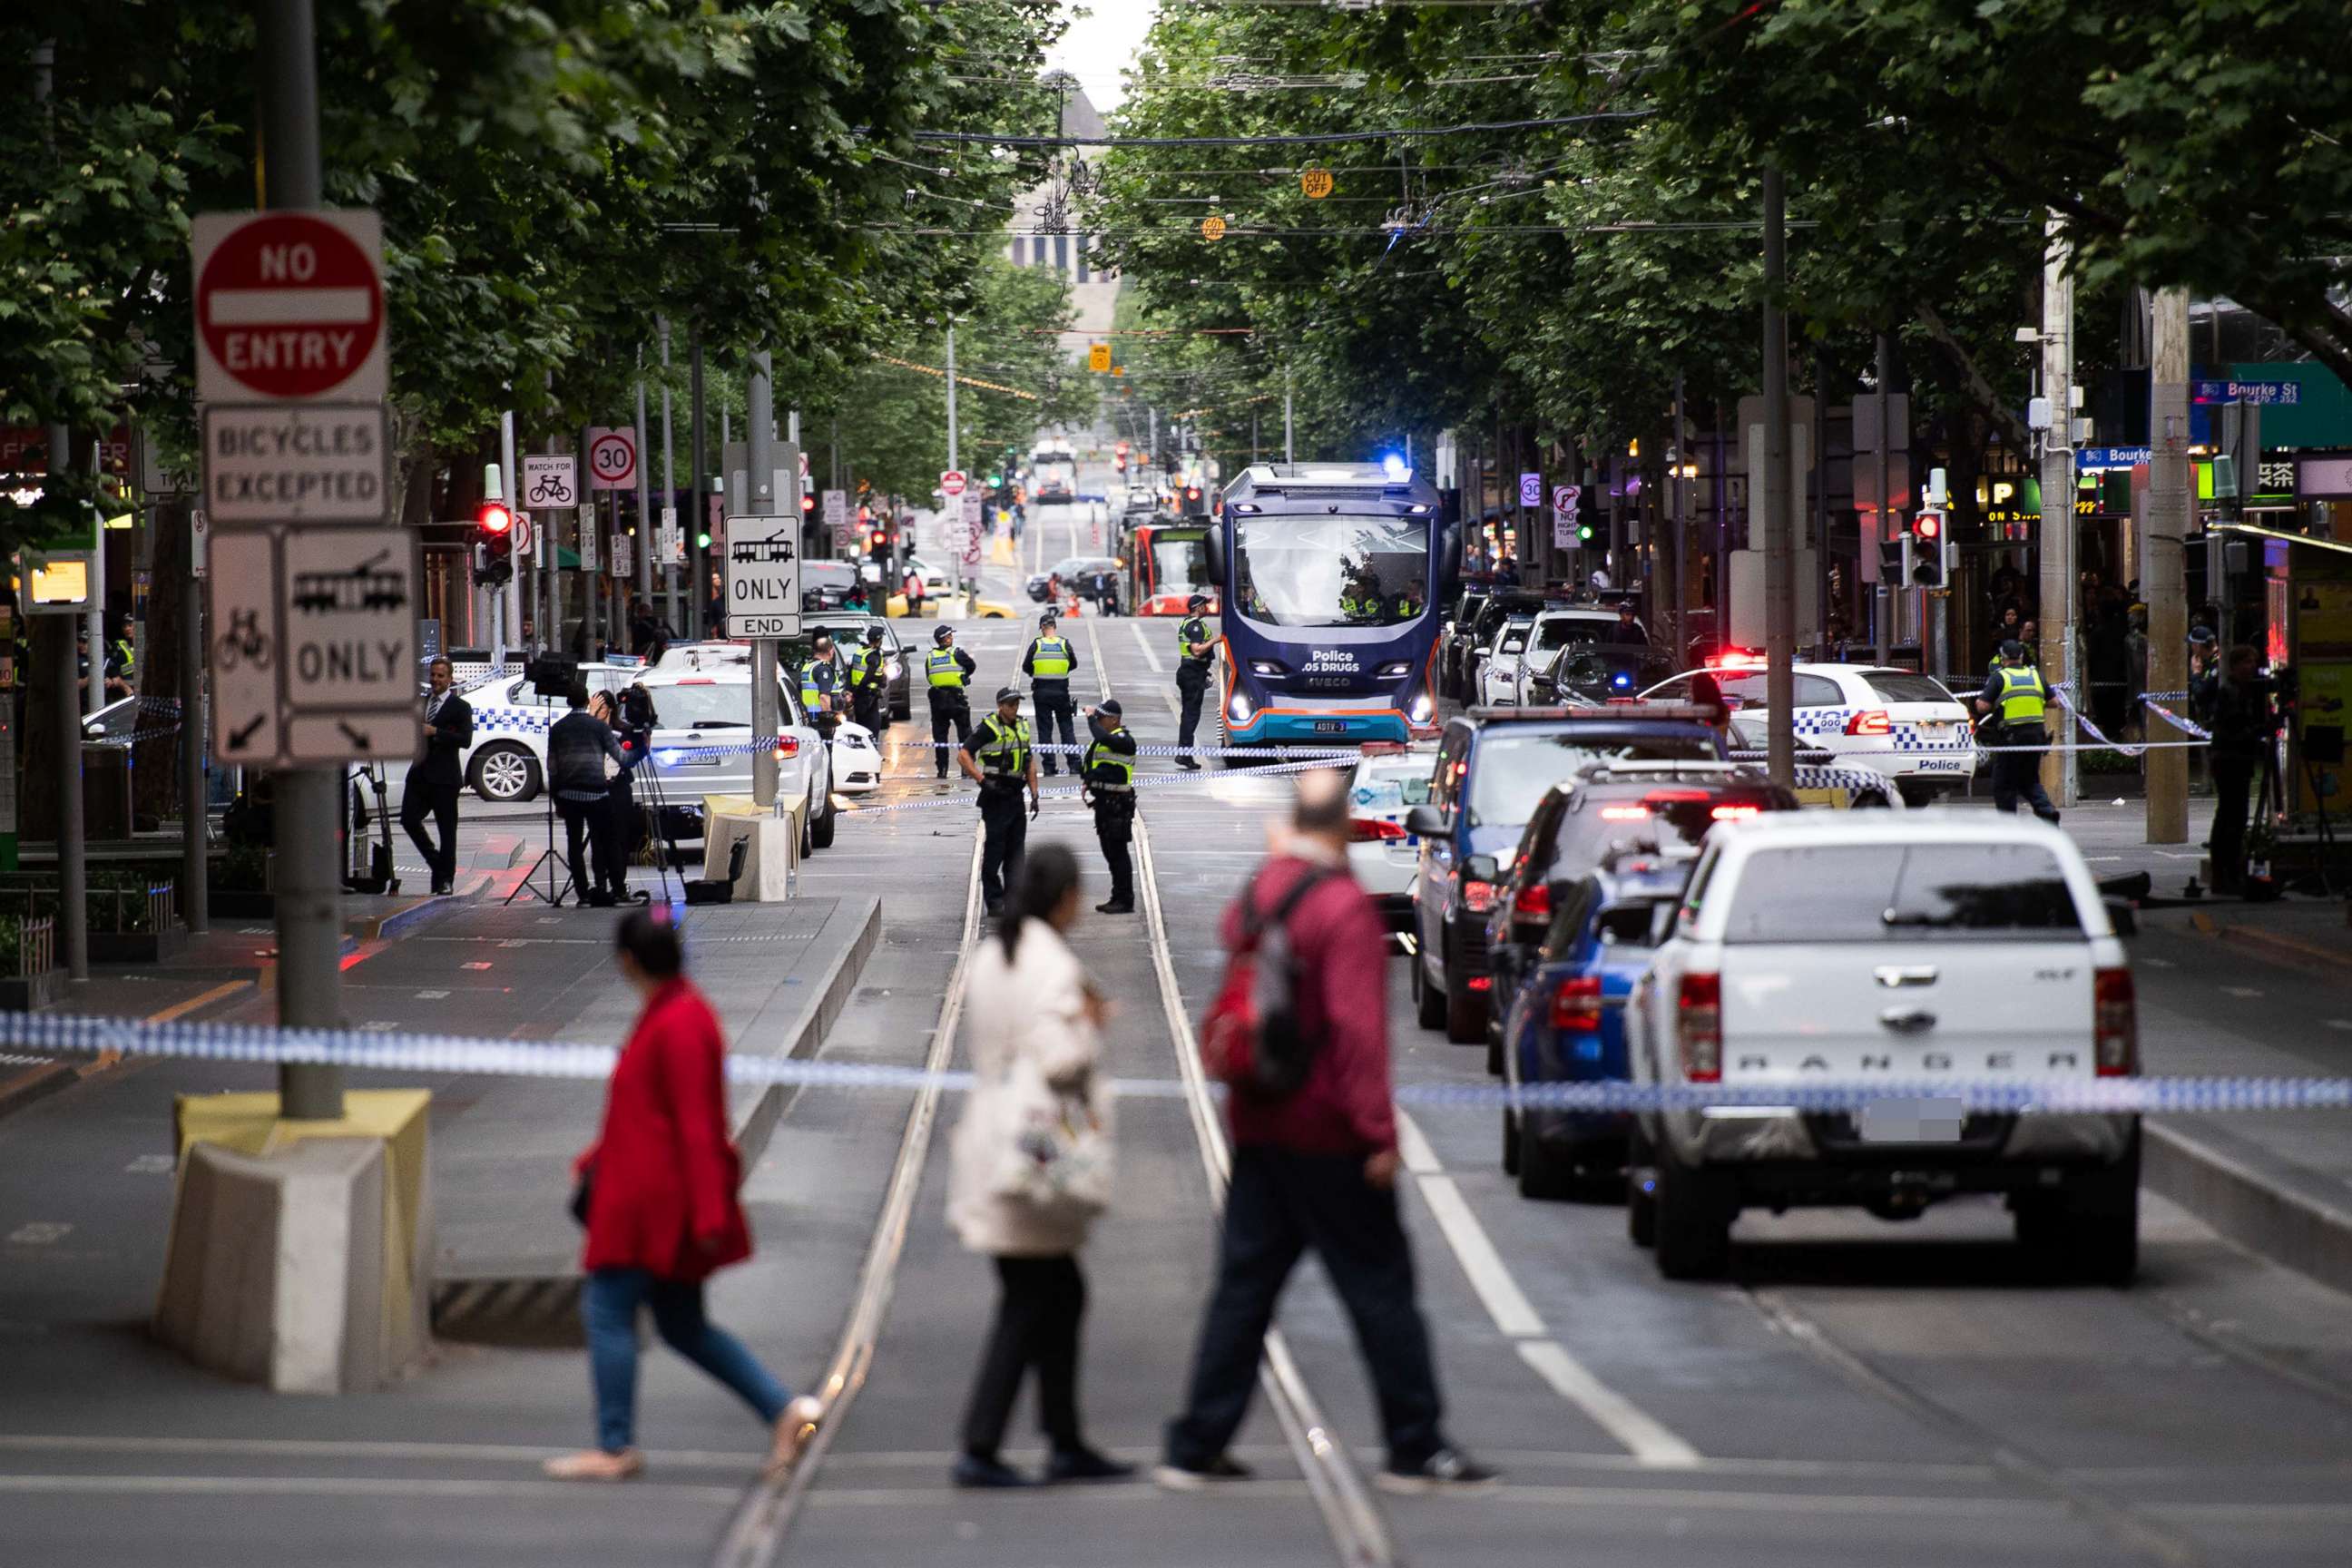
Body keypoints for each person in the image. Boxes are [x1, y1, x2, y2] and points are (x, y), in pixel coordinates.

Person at [1160, 774, 1493, 1495]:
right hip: (1328, 1133)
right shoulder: (1341, 910)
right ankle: (1415, 1445)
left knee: (1243, 1290)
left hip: (1259, 1124)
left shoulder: (1263, 891)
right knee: (1380, 1288)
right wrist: (1377, 1133)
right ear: (1341, 828)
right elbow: (1355, 1032)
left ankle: (1196, 1442)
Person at [546, 909, 826, 1482]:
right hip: (655, 1198)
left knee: (606, 1309)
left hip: (651, 1208)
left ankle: (615, 1445)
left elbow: (698, 1127)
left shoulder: (676, 1023)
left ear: (627, 961)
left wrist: (706, 1213)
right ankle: (783, 1410)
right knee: (682, 1325)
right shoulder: (676, 1013)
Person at [946, 845, 1130, 1490]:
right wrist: (1090, 1024)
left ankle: (1063, 1437)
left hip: (993, 1133)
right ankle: (984, 1443)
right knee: (1034, 1298)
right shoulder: (1052, 964)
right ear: (1065, 898)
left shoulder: (995, 952)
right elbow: (1057, 1058)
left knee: (1053, 1292)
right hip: (1034, 1147)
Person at [549, 680, 637, 906]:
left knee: (574, 845)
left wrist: (557, 797)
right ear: (587, 700)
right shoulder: (598, 727)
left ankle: (583, 894)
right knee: (609, 841)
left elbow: (553, 767)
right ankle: (618, 888)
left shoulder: (558, 728)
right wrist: (643, 748)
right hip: (597, 794)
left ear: (568, 701)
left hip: (569, 795)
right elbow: (623, 758)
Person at [959, 687, 1041, 916]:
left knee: (1016, 853)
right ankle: (995, 901)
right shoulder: (988, 728)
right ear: (1000, 706)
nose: (1014, 708)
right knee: (995, 850)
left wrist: (1034, 794)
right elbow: (964, 755)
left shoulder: (1023, 727)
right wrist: (982, 780)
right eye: (1010, 704)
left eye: (1016, 704)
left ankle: (1014, 899)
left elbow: (1029, 761)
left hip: (1015, 796)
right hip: (995, 795)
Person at [403, 657, 473, 896]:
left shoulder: (460, 707)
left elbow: (465, 740)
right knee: (408, 820)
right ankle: (436, 863)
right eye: (433, 675)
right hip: (419, 774)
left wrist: (436, 732)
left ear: (450, 679)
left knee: (447, 831)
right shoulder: (420, 704)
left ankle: (445, 880)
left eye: (440, 676)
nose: (435, 680)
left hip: (445, 778)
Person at [2206, 645, 2272, 895]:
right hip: (2230, 761)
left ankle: (2228, 871)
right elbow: (2236, 727)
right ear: (2234, 665)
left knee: (2235, 816)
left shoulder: (2243, 691)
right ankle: (2224, 872)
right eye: (2246, 662)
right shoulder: (2231, 692)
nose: (2251, 667)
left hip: (2236, 761)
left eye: (2253, 662)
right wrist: (2257, 733)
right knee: (2230, 817)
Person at [1974, 640, 2060, 826]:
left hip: (2011, 738)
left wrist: (1996, 705)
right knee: (2029, 779)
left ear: (2002, 658)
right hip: (2036, 737)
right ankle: (2047, 812)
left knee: (2003, 783)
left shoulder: (2000, 677)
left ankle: (2008, 825)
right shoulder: (2035, 675)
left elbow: (1982, 706)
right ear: (2021, 656)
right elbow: (2054, 702)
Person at [1080, 699, 1137, 915]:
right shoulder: (1110, 738)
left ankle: (1124, 899)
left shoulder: (1123, 739)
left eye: (1103, 718)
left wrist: (1090, 717)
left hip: (1117, 804)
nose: (1101, 722)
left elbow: (1101, 736)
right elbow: (1102, 764)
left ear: (1115, 720)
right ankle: (1117, 896)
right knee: (1109, 851)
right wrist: (1090, 781)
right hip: (1105, 803)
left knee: (1117, 852)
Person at [1024, 611, 1078, 777]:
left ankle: (1049, 766)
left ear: (1042, 628)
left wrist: (1038, 674)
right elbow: (1074, 664)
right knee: (1067, 729)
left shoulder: (1037, 644)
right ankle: (1075, 765)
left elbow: (1026, 666)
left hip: (1041, 692)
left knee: (1044, 731)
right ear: (1055, 626)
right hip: (1061, 692)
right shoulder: (1064, 643)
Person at [926, 624, 976, 780]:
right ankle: (966, 769)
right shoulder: (957, 653)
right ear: (946, 638)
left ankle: (942, 770)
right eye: (950, 636)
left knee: (940, 738)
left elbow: (929, 677)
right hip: (956, 699)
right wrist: (962, 676)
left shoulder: (931, 656)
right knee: (965, 735)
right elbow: (972, 666)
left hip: (938, 700)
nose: (952, 638)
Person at [1174, 593, 1215, 771]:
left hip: (1191, 672)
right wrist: (1218, 639)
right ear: (1198, 607)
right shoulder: (1196, 627)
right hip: (1191, 674)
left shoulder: (1186, 623)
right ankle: (1184, 754)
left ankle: (1185, 754)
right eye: (1204, 605)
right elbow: (1197, 651)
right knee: (1191, 715)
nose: (1207, 607)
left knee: (1188, 715)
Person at [799, 631, 844, 743]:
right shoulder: (824, 669)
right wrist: (829, 722)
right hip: (821, 722)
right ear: (830, 651)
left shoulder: (808, 666)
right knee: (826, 754)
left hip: (810, 718)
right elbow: (824, 697)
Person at [848, 623, 888, 732]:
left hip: (859, 697)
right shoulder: (874, 656)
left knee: (861, 729)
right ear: (879, 639)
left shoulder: (860, 652)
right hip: (867, 697)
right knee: (872, 730)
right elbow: (868, 677)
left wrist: (851, 692)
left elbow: (850, 672)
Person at [103, 613, 137, 700]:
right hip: (125, 692)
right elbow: (112, 669)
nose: (127, 629)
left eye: (130, 625)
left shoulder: (147, 644)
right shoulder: (118, 646)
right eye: (124, 626)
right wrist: (125, 687)